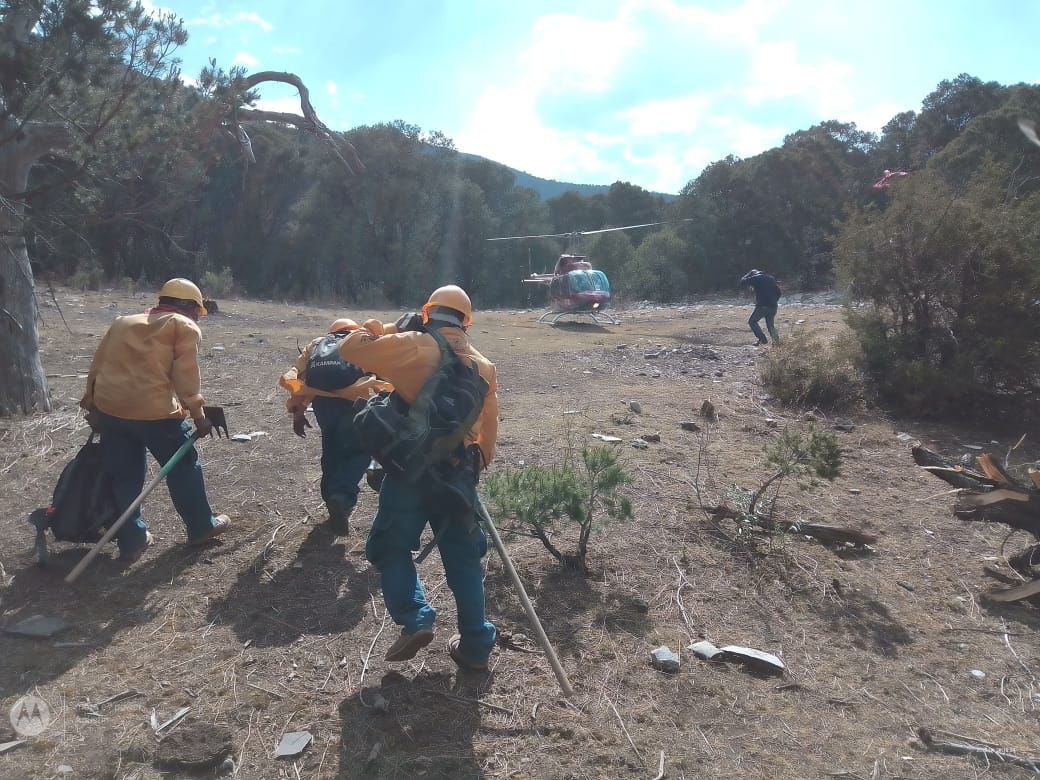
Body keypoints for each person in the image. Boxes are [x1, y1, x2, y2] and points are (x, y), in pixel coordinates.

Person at [339, 285, 499, 672]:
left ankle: (415, 617)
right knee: (463, 556)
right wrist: (475, 465)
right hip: (457, 474)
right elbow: (488, 430)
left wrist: (392, 327)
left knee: (390, 547)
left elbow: (350, 348)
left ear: (428, 313)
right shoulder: (484, 365)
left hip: (408, 470)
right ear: (466, 321)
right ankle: (476, 645)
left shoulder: (413, 343)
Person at [79, 278, 230, 563]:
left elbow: (98, 365)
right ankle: (201, 526)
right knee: (184, 467)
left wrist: (92, 405)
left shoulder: (123, 321)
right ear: (186, 306)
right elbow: (186, 376)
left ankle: (132, 541)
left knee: (123, 476)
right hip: (156, 414)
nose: (198, 317)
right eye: (197, 310)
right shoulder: (182, 326)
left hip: (112, 410)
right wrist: (198, 415)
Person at [279, 318, 390, 535]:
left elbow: (300, 379)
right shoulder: (363, 340)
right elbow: (383, 377)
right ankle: (342, 497)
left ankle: (331, 497)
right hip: (356, 403)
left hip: (324, 405)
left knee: (331, 449)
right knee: (359, 451)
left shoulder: (316, 345)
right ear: (353, 329)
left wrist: (298, 413)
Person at [739, 269, 782, 346]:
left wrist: (747, 275)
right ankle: (777, 343)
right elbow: (779, 292)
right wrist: (774, 301)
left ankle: (762, 339)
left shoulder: (756, 277)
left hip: (763, 306)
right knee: (770, 325)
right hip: (773, 306)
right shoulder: (771, 278)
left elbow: (743, 281)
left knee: (752, 321)